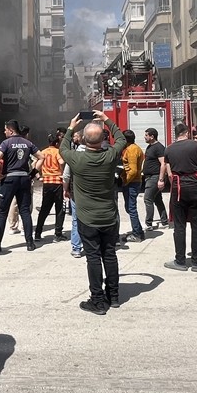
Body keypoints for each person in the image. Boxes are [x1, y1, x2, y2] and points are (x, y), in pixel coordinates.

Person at [59, 112, 127, 314]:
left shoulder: (76, 158)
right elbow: (121, 138)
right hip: (109, 217)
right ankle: (113, 296)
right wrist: (106, 119)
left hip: (87, 218)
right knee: (110, 255)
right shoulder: (110, 156)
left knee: (93, 258)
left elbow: (63, 147)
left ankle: (97, 300)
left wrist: (71, 126)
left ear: (84, 140)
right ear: (104, 139)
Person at [160, 122, 197, 272]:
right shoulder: (195, 146)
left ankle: (180, 261)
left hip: (178, 187)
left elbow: (169, 173)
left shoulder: (168, 149)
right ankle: (196, 263)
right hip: (194, 185)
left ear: (176, 134)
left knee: (179, 226)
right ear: (187, 133)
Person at [0, 120, 39, 253]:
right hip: (24, 178)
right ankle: (30, 243)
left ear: (10, 130)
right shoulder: (28, 143)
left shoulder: (6, 143)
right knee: (25, 210)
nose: (4, 132)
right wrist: (33, 173)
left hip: (10, 179)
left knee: (2, 211)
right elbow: (41, 157)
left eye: (5, 130)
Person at [34, 131, 66, 242]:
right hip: (57, 182)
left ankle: (38, 233)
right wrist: (62, 173)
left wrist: (38, 176)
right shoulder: (58, 152)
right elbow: (61, 162)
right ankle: (58, 234)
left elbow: (34, 164)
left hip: (47, 182)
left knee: (44, 208)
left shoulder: (43, 152)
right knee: (59, 209)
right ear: (57, 143)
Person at [120, 129, 146, 242]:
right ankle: (138, 230)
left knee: (131, 208)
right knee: (129, 208)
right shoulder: (134, 148)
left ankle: (136, 234)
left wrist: (126, 181)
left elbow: (133, 170)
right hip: (134, 182)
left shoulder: (132, 150)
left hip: (132, 183)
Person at [140, 128, 167, 230]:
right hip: (149, 177)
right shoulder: (150, 147)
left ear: (152, 136)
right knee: (158, 200)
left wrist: (161, 179)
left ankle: (148, 224)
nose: (144, 137)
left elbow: (163, 164)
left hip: (154, 177)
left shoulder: (159, 148)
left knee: (147, 199)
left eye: (146, 135)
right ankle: (164, 222)